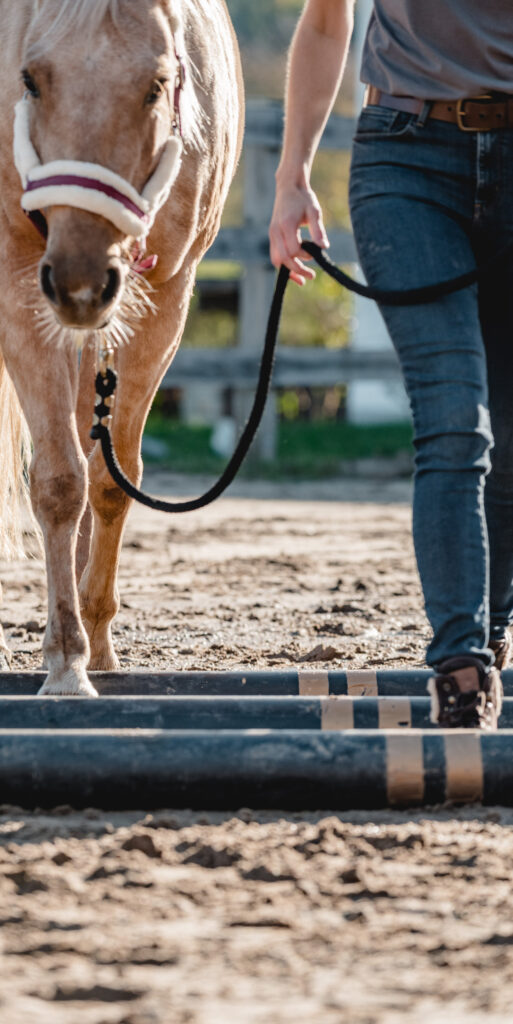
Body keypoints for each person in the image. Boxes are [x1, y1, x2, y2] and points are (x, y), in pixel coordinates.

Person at [269, 0, 513, 729]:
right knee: (452, 418)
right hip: (405, 158)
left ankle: (489, 638)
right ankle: (460, 663)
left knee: (509, 434)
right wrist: (291, 176)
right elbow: (322, 22)